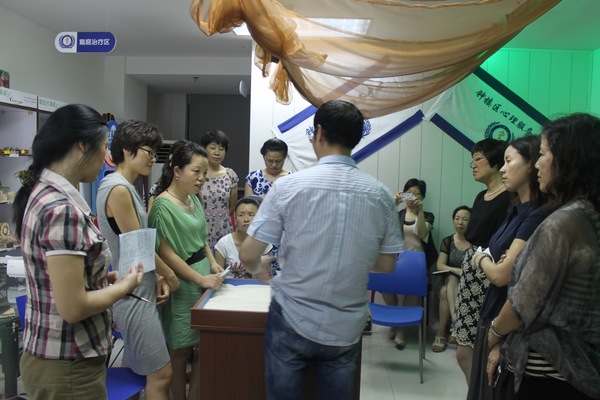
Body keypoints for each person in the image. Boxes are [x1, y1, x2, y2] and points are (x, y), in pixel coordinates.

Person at [240, 100, 403, 400]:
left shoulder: (288, 187)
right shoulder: (380, 194)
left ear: (319, 133)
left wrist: (257, 268)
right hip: (346, 324)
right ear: (356, 138)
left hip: (292, 315)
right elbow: (387, 265)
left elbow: (249, 254)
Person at [13, 104, 143, 399]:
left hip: (54, 357)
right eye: (104, 146)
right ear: (82, 144)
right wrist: (123, 287)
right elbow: (73, 307)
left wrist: (100, 280)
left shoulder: (43, 193)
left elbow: (58, 282)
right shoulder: (62, 210)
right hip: (68, 364)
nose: (107, 157)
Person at [487, 114, 600, 399]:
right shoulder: (587, 213)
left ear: (568, 160)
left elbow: (522, 305)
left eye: (543, 154)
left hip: (548, 370)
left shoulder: (563, 222)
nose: (537, 164)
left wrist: (494, 333)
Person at [96, 120, 180, 399]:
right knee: (161, 374)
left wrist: (157, 276)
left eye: (156, 152)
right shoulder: (118, 188)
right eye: (149, 151)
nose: (153, 158)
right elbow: (139, 247)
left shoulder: (125, 186)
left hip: (137, 289)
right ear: (126, 149)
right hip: (133, 294)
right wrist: (169, 274)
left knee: (135, 372)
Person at [466, 135, 547, 399]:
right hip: (491, 310)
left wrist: (482, 258)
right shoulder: (515, 209)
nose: (502, 169)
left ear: (531, 165)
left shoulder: (536, 214)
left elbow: (502, 275)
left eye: (509, 161)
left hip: (505, 319)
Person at [148, 140, 224, 400]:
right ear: (177, 170)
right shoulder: (161, 205)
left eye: (204, 173)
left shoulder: (193, 198)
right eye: (196, 171)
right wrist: (200, 278)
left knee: (203, 346)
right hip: (183, 281)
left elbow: (202, 238)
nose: (202, 178)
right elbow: (165, 254)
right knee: (180, 351)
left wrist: (212, 262)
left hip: (204, 276)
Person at [454, 138, 511, 384]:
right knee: (464, 347)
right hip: (471, 270)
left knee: (481, 345)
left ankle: (481, 392)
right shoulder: (481, 196)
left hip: (489, 274)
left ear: (497, 162)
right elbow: (472, 235)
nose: (473, 165)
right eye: (473, 160)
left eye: (478, 159)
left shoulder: (509, 197)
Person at [384, 178, 435, 350]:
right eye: (409, 193)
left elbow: (421, 234)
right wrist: (393, 205)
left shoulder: (428, 216)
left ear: (423, 197)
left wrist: (419, 211)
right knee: (384, 285)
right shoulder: (398, 215)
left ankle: (401, 330)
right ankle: (395, 321)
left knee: (415, 289)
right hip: (398, 261)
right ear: (404, 194)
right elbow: (382, 226)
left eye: (417, 194)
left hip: (417, 264)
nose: (412, 197)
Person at [244, 138, 291, 277]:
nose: (274, 165)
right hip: (259, 235)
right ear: (264, 157)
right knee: (259, 275)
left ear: (285, 158)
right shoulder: (253, 177)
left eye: (279, 161)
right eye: (269, 161)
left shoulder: (291, 179)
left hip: (283, 235)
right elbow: (247, 207)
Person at [432, 205, 471, 352]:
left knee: (445, 292)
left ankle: (441, 333)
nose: (460, 222)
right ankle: (456, 324)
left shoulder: (475, 243)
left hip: (467, 283)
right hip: (447, 280)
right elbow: (440, 265)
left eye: (465, 219)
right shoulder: (448, 241)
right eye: (457, 218)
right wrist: (458, 271)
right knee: (451, 280)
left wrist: (463, 273)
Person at [214, 196, 274, 280]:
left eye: (251, 215)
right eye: (241, 215)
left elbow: (265, 276)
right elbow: (217, 277)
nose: (246, 219)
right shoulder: (223, 244)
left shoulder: (263, 242)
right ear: (235, 219)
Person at [199, 130, 239, 249]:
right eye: (212, 148)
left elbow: (232, 206)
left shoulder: (230, 175)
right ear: (204, 149)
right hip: (201, 226)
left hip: (223, 227)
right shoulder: (198, 173)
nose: (217, 152)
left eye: (221, 149)